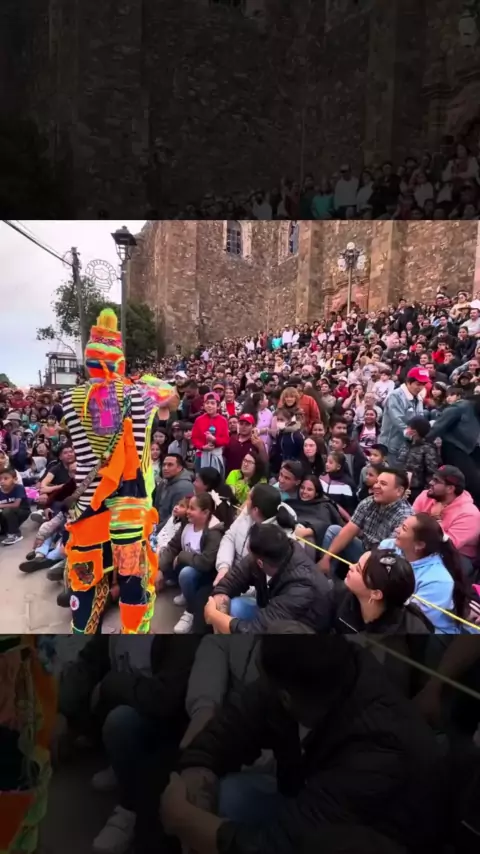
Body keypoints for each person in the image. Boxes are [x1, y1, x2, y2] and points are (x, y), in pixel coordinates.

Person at [162, 634, 446, 854]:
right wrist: (197, 772)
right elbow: (231, 725)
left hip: (374, 837)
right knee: (227, 796)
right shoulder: (309, 673)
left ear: (286, 698)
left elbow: (285, 847)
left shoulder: (379, 749)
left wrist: (184, 820)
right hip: (315, 802)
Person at [55, 635, 199, 854]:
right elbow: (90, 660)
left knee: (120, 722)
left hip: (166, 724)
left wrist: (112, 684)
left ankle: (130, 807)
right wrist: (63, 710)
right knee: (70, 682)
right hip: (127, 699)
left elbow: (165, 699)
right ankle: (120, 764)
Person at [204, 523, 332, 633]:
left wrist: (215, 616)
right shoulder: (269, 554)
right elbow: (231, 580)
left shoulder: (302, 587)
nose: (249, 556)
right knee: (234, 607)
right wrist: (218, 608)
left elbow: (258, 630)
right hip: (272, 613)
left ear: (260, 562)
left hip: (300, 631)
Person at [381, 513, 469, 633]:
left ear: (419, 545)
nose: (397, 529)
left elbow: (414, 622)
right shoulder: (388, 546)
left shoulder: (438, 581)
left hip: (430, 632)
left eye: (404, 528)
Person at [319, 468, 413, 579]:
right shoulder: (369, 502)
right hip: (364, 550)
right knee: (334, 530)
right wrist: (326, 557)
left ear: (399, 491)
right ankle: (325, 580)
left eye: (383, 484)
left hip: (383, 565)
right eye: (377, 482)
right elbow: (349, 530)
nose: (376, 486)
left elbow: (389, 556)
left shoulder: (405, 517)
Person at [158, 493, 224, 634]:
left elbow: (206, 563)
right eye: (188, 507)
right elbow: (172, 547)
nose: (187, 511)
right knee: (166, 559)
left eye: (192, 508)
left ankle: (190, 611)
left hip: (206, 577)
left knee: (186, 574)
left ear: (205, 513)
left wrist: (182, 556)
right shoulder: (187, 525)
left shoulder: (214, 533)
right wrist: (159, 569)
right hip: (188, 567)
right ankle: (187, 592)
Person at [331, 549, 434, 634]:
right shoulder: (339, 595)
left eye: (358, 569)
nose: (351, 566)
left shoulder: (412, 632)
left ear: (376, 594)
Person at [413, 466, 480, 580]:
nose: (430, 482)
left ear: (450, 488)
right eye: (432, 478)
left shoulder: (470, 514)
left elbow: (448, 546)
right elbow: (409, 521)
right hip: (420, 543)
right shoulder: (426, 495)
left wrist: (436, 519)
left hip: (457, 555)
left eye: (436, 481)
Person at [427, 392, 480, 503]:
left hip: (472, 448)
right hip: (454, 446)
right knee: (474, 484)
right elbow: (439, 426)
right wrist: (424, 441)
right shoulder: (462, 407)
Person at [378, 366, 429, 462]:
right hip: (391, 446)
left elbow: (420, 418)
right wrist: (410, 433)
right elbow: (397, 418)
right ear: (408, 382)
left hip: (407, 446)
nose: (420, 388)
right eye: (418, 384)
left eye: (423, 384)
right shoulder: (395, 396)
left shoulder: (418, 398)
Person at [397, 415, 439, 502]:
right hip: (401, 487)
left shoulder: (428, 448)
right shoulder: (406, 444)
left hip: (417, 491)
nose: (406, 429)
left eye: (409, 427)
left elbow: (431, 473)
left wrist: (426, 494)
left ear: (414, 431)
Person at [191, 392, 230, 474]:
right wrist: (202, 447)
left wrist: (215, 440)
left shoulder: (223, 420)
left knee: (216, 478)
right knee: (200, 478)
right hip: (201, 455)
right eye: (207, 403)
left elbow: (226, 439)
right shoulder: (199, 420)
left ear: (218, 406)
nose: (209, 405)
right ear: (203, 405)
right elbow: (194, 438)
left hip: (216, 455)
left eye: (212, 403)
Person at [154, 453, 194, 529]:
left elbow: (175, 517)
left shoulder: (184, 487)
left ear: (179, 468)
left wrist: (155, 530)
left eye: (170, 465)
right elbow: (156, 508)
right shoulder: (163, 482)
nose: (165, 468)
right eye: (164, 465)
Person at [0, 467, 30, 544]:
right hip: (5, 514)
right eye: (0, 479)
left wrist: (1, 505)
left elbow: (16, 504)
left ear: (15, 479)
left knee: (7, 510)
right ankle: (4, 531)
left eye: (6, 478)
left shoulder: (18, 488)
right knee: (5, 512)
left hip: (21, 511)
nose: (2, 481)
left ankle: (15, 534)